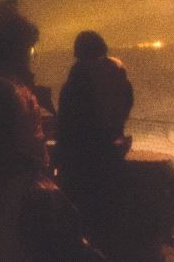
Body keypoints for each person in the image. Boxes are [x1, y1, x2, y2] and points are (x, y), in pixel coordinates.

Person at [0, 5, 102, 261]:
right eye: (27, 48)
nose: (30, 56)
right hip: (11, 204)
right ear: (12, 50)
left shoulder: (3, 88)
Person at [55, 31, 134, 258]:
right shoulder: (119, 76)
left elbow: (68, 124)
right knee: (108, 217)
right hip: (113, 150)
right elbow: (124, 108)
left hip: (82, 158)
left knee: (83, 217)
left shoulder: (77, 78)